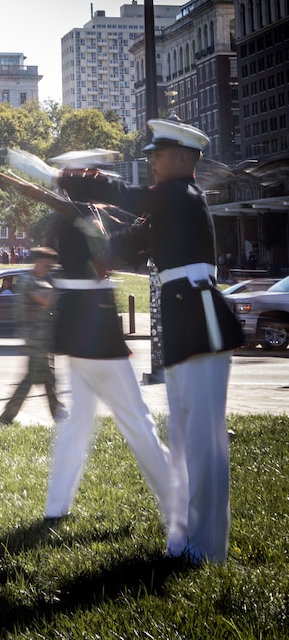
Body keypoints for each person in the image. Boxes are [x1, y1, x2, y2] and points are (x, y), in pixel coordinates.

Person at [57, 118, 245, 563]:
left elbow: (132, 199)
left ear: (184, 159)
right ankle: (181, 540)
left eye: (158, 156)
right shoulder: (168, 204)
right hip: (184, 322)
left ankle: (207, 547)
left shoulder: (181, 196)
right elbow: (131, 243)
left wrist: (84, 183)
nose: (153, 163)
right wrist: (95, 238)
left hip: (199, 321)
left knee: (202, 440)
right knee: (182, 439)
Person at [40, 208, 178, 547]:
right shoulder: (83, 222)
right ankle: (178, 503)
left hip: (77, 330)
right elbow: (113, 251)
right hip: (96, 330)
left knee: (78, 424)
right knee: (137, 419)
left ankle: (56, 506)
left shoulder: (71, 219)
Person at [0, 247, 61, 424]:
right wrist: (60, 283)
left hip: (41, 339)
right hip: (34, 341)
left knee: (36, 380)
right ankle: (59, 417)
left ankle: (8, 416)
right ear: (39, 262)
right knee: (44, 380)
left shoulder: (39, 279)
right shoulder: (29, 281)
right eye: (47, 265)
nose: (49, 269)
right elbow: (46, 300)